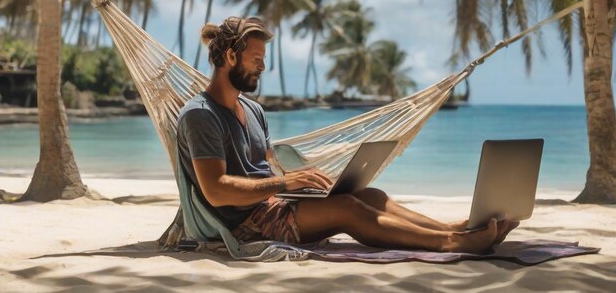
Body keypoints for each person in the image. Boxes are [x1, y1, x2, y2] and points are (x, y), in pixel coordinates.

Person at [177, 16, 518, 253]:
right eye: (256, 59)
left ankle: (454, 228)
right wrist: (285, 184)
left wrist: (301, 181)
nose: (263, 67)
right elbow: (217, 191)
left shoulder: (253, 111)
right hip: (243, 222)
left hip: (273, 205)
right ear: (230, 56)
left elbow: (267, 166)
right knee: (348, 211)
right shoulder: (201, 115)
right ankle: (451, 244)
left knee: (371, 196)